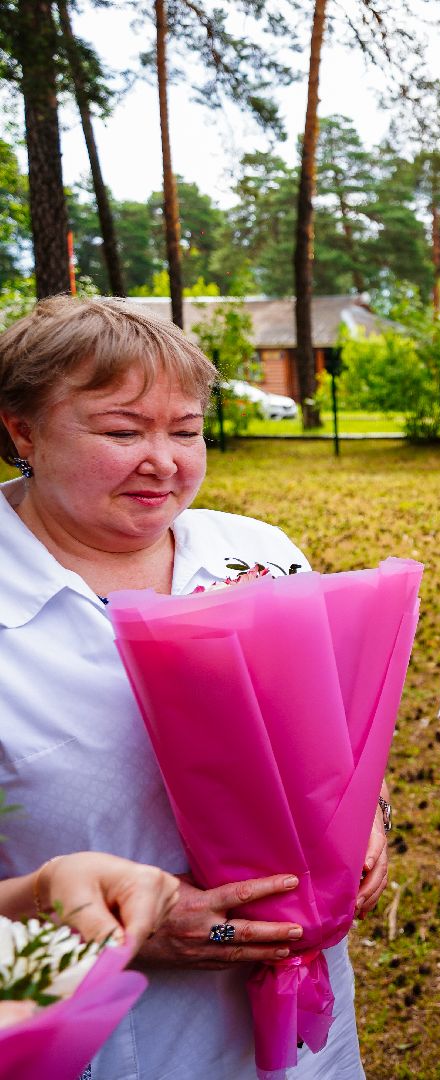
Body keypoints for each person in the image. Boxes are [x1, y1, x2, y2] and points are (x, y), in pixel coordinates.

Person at [0, 296, 383, 1078]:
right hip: (98, 1039)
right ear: (21, 430)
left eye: (185, 430)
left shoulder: (258, 553)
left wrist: (367, 820)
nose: (165, 462)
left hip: (302, 1021)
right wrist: (97, 922)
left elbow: (333, 737)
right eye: (121, 430)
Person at [0, 851, 180, 952]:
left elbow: (208, 927)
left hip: (202, 991)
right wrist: (48, 885)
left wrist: (210, 934)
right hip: (57, 988)